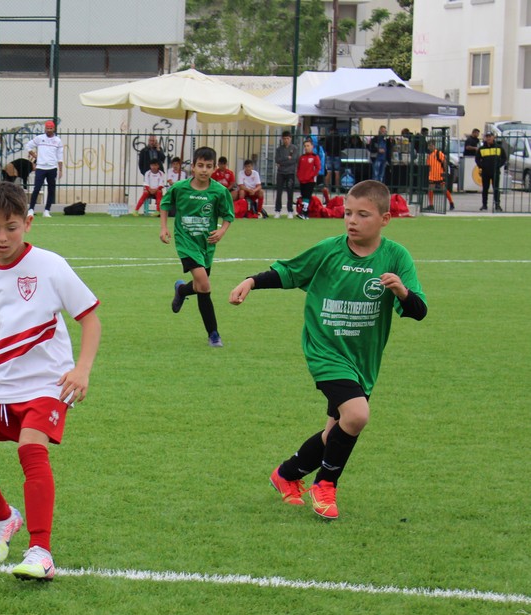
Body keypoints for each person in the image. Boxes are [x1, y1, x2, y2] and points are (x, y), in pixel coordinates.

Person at [228, 179, 428, 521]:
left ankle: (287, 474)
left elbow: (418, 311)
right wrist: (251, 281)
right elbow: (289, 271)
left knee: (334, 431)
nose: (352, 220)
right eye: (348, 213)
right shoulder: (329, 250)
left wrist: (402, 292)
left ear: (385, 218)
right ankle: (325, 484)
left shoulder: (396, 257)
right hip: (325, 351)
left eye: (362, 214)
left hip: (362, 359)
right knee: (357, 415)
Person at [0, 181, 101, 581]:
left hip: (49, 381)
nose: (2, 237)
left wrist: (82, 369)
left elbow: (90, 319)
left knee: (31, 448)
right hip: (1, 381)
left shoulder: (51, 266)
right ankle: (3, 518)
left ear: (28, 223)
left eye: (11, 227)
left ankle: (40, 551)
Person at [161, 146, 235, 348]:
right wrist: (164, 227)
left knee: (200, 285)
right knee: (205, 285)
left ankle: (181, 290)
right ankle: (213, 334)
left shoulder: (219, 191)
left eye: (208, 166)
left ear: (214, 169)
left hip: (206, 245)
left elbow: (228, 215)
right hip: (186, 243)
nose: (204, 170)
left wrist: (221, 231)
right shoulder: (180, 188)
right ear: (192, 167)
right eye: (200, 165)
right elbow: (165, 204)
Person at [25, 120, 64, 218]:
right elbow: (28, 146)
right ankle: (31, 209)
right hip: (41, 167)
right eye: (47, 128)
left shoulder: (58, 141)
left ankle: (47, 210)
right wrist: (34, 155)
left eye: (51, 128)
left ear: (54, 129)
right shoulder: (40, 138)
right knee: (37, 188)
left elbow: (60, 156)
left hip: (52, 167)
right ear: (45, 129)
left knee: (51, 189)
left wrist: (60, 170)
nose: (49, 130)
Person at [476, 130, 507, 212]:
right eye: (487, 137)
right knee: (485, 189)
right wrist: (481, 166)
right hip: (485, 172)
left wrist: (498, 165)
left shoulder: (499, 147)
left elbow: (504, 158)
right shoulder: (481, 149)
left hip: (495, 171)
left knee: (496, 189)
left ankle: (497, 205)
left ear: (493, 137)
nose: (488, 138)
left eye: (490, 136)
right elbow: (477, 159)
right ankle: (484, 205)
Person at [137, 135, 167, 215]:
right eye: (151, 140)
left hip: (158, 175)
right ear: (148, 141)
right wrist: (144, 172)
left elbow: (163, 159)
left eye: (153, 141)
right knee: (146, 192)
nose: (152, 142)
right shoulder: (144, 151)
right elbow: (140, 163)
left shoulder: (159, 149)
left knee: (159, 193)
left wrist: (159, 150)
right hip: (149, 175)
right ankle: (137, 210)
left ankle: (158, 211)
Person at [273, 131, 300, 218]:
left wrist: (283, 162)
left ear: (290, 139)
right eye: (284, 138)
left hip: (290, 173)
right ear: (282, 139)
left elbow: (294, 160)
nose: (286, 140)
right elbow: (277, 160)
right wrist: (287, 158)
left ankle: (290, 210)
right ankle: (277, 210)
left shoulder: (294, 148)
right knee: (279, 192)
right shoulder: (279, 149)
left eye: (287, 138)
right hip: (280, 173)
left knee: (290, 192)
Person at [424, 144, 455, 211]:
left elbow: (444, 162)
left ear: (434, 146)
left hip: (439, 174)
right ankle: (431, 205)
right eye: (429, 146)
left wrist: (445, 171)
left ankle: (451, 203)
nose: (430, 147)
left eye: (431, 146)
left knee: (443, 189)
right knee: (430, 189)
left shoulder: (438, 153)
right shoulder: (429, 156)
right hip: (432, 175)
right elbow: (429, 166)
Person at [296, 139, 322, 218]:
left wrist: (311, 176)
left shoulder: (315, 157)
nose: (306, 148)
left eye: (308, 146)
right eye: (305, 146)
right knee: (303, 195)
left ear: (312, 147)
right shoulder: (302, 157)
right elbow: (299, 168)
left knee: (307, 195)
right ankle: (305, 213)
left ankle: (304, 212)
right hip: (302, 180)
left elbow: (318, 168)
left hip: (310, 180)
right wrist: (299, 176)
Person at [322, 126, 344, 192]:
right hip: (337, 155)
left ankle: (327, 188)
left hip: (329, 155)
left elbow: (324, 147)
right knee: (337, 172)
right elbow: (342, 146)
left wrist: (328, 151)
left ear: (330, 131)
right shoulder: (339, 138)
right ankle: (337, 188)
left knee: (329, 172)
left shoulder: (328, 138)